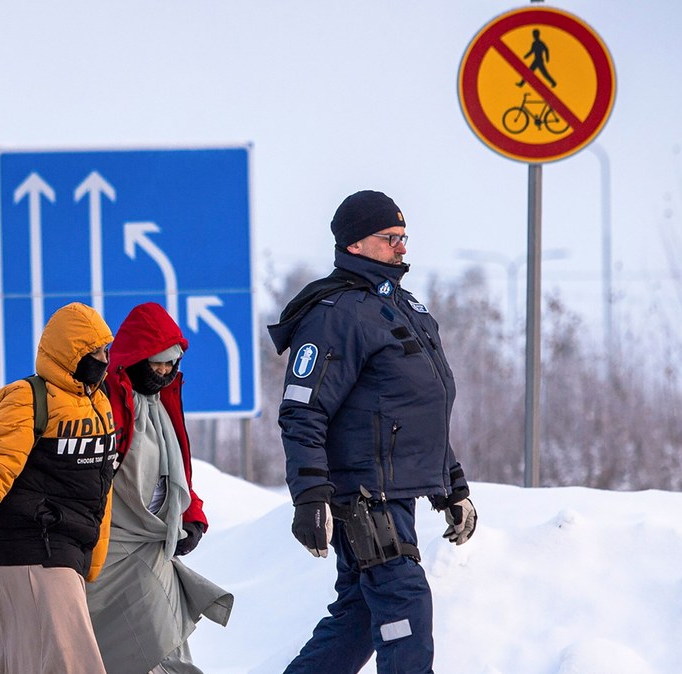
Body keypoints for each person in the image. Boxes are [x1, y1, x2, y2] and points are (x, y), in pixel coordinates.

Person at [267, 190, 478, 674]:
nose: (402, 247)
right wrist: (309, 496)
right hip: (363, 495)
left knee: (360, 617)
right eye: (390, 238)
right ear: (356, 245)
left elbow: (417, 411)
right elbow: (302, 411)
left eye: (404, 237)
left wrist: (453, 486)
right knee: (404, 603)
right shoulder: (335, 315)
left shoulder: (406, 309)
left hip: (397, 490)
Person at [0, 302, 119, 674]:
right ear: (68, 354)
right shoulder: (26, 400)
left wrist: (94, 559)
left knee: (15, 667)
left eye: (105, 351)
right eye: (92, 353)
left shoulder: (98, 404)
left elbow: (102, 487)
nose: (103, 360)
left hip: (63, 557)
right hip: (34, 550)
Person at [88, 301, 233, 674]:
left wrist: (192, 514)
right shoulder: (105, 401)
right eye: (158, 363)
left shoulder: (163, 402)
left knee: (165, 645)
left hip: (155, 545)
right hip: (110, 548)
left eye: (172, 364)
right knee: (121, 648)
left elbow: (176, 471)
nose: (166, 372)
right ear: (136, 357)